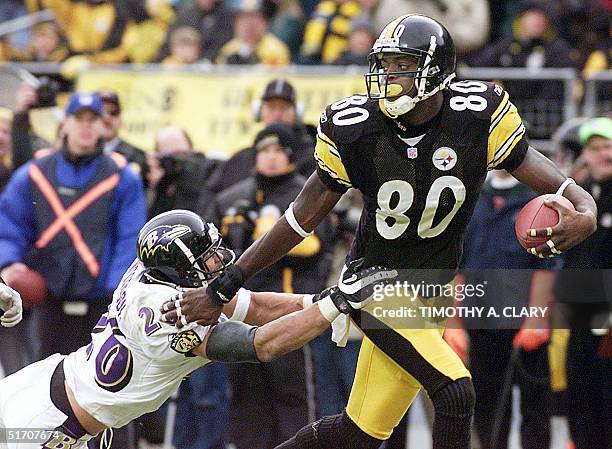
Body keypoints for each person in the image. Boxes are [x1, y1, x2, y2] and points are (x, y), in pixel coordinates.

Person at [161, 14, 598, 449]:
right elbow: (300, 218)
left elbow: (536, 168)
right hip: (375, 284)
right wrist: (228, 281)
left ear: (437, 73)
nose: (388, 77)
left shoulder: (477, 115)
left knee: (359, 432)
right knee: (455, 390)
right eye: (385, 65)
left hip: (430, 292)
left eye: (402, 67)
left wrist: (584, 204)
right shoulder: (356, 127)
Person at [0, 209, 396, 449]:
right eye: (207, 258)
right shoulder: (170, 313)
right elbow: (262, 345)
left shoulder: (163, 280)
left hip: (59, 392)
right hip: (44, 424)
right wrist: (335, 305)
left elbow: (254, 306)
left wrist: (313, 303)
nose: (219, 260)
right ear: (181, 268)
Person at [0, 92, 147, 359]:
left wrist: (118, 293)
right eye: (79, 118)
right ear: (65, 123)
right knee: (43, 382)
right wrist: (10, 263)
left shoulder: (123, 177)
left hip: (102, 304)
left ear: (103, 126)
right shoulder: (34, 174)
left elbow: (131, 238)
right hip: (48, 299)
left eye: (94, 119)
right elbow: (9, 224)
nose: (86, 126)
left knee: (98, 386)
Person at [214, 124, 333, 449]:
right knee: (246, 400)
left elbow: (314, 248)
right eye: (263, 151)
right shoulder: (232, 197)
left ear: (291, 155)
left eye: (277, 150)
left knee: (293, 399)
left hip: (288, 314)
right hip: (239, 314)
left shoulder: (306, 194)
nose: (269, 157)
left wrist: (267, 234)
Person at [446, 169, 559, 449]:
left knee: (536, 408)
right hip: (481, 322)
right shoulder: (471, 196)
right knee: (487, 408)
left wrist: (537, 318)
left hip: (526, 323)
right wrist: (454, 322)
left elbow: (548, 265)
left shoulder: (541, 197)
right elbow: (456, 264)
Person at [554, 117, 612, 449]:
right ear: (584, 155)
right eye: (596, 148)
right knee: (581, 397)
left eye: (609, 146)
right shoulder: (584, 197)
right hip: (582, 311)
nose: (605, 154)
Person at [206, 78, 317, 194]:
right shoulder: (240, 159)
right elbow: (212, 195)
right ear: (259, 111)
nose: (277, 114)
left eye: (284, 107)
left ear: (297, 113)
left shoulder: (313, 159)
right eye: (271, 107)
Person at [147, 125, 219, 218]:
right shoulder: (160, 182)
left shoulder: (206, 171)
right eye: (171, 156)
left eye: (181, 154)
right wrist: (154, 188)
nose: (178, 160)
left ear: (191, 148)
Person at [97, 90, 148, 182]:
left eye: (113, 113)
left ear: (121, 119)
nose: (107, 118)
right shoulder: (76, 155)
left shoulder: (138, 157)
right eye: (101, 113)